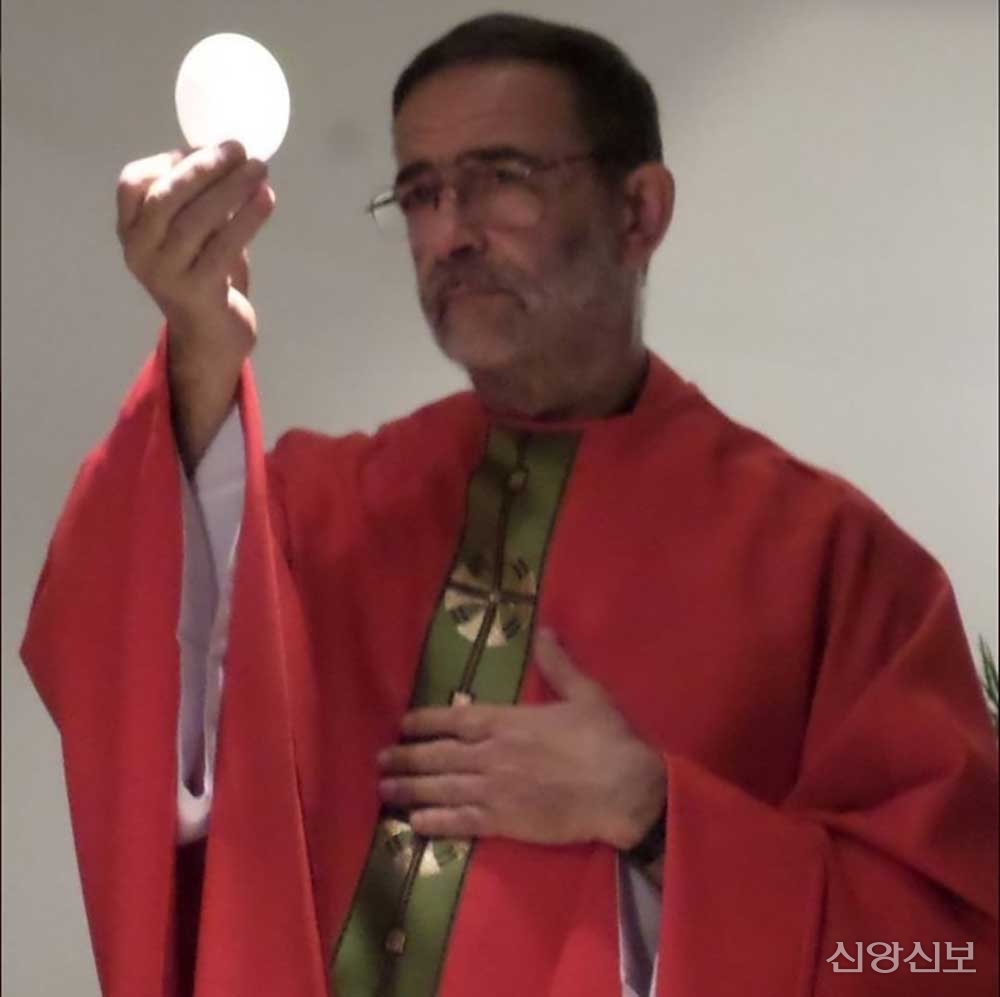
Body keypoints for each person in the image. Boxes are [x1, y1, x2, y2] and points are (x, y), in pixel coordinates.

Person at [20, 13, 998, 997]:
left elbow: (949, 956)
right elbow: (119, 662)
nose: (450, 232)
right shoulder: (325, 513)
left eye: (501, 177)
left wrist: (656, 816)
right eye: (421, 192)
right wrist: (200, 352)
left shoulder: (833, 565)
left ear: (638, 211)